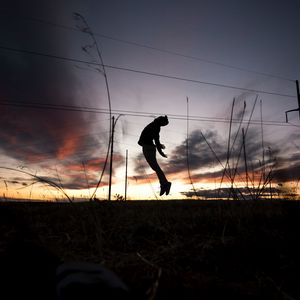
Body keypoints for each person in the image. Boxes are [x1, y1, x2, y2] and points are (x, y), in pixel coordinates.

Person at [138, 115, 171, 196]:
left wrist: (160, 151)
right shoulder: (155, 127)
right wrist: (160, 150)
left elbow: (156, 141)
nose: (162, 126)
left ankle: (165, 184)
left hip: (148, 148)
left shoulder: (154, 126)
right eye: (163, 124)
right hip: (149, 147)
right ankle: (164, 184)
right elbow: (156, 141)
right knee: (155, 168)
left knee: (156, 167)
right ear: (161, 121)